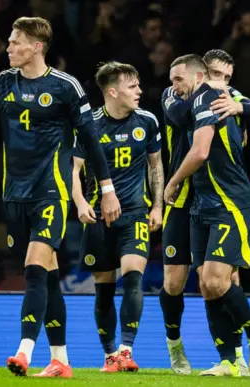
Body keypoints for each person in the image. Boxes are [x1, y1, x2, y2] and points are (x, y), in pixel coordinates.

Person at [0, 16, 121, 378]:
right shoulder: (3, 83)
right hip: (14, 194)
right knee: (47, 278)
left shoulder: (66, 87)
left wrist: (107, 189)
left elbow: (92, 140)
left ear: (36, 47)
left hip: (51, 190)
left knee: (34, 269)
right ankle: (61, 361)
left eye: (15, 41)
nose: (8, 47)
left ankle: (24, 350)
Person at [159, 49, 250, 375]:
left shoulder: (220, 100)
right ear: (203, 73)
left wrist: (238, 105)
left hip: (228, 201)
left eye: (228, 79)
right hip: (196, 202)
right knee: (203, 283)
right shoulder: (185, 96)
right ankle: (228, 361)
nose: (224, 84)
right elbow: (178, 115)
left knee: (218, 279)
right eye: (217, 75)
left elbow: (202, 150)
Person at [72, 62, 163, 373]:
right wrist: (80, 201)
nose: (139, 91)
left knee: (134, 278)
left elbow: (155, 167)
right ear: (112, 91)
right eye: (132, 86)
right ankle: (110, 354)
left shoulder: (147, 121)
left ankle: (126, 350)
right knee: (104, 289)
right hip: (97, 218)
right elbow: (73, 170)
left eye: (139, 85)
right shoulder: (89, 125)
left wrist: (158, 206)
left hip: (135, 214)